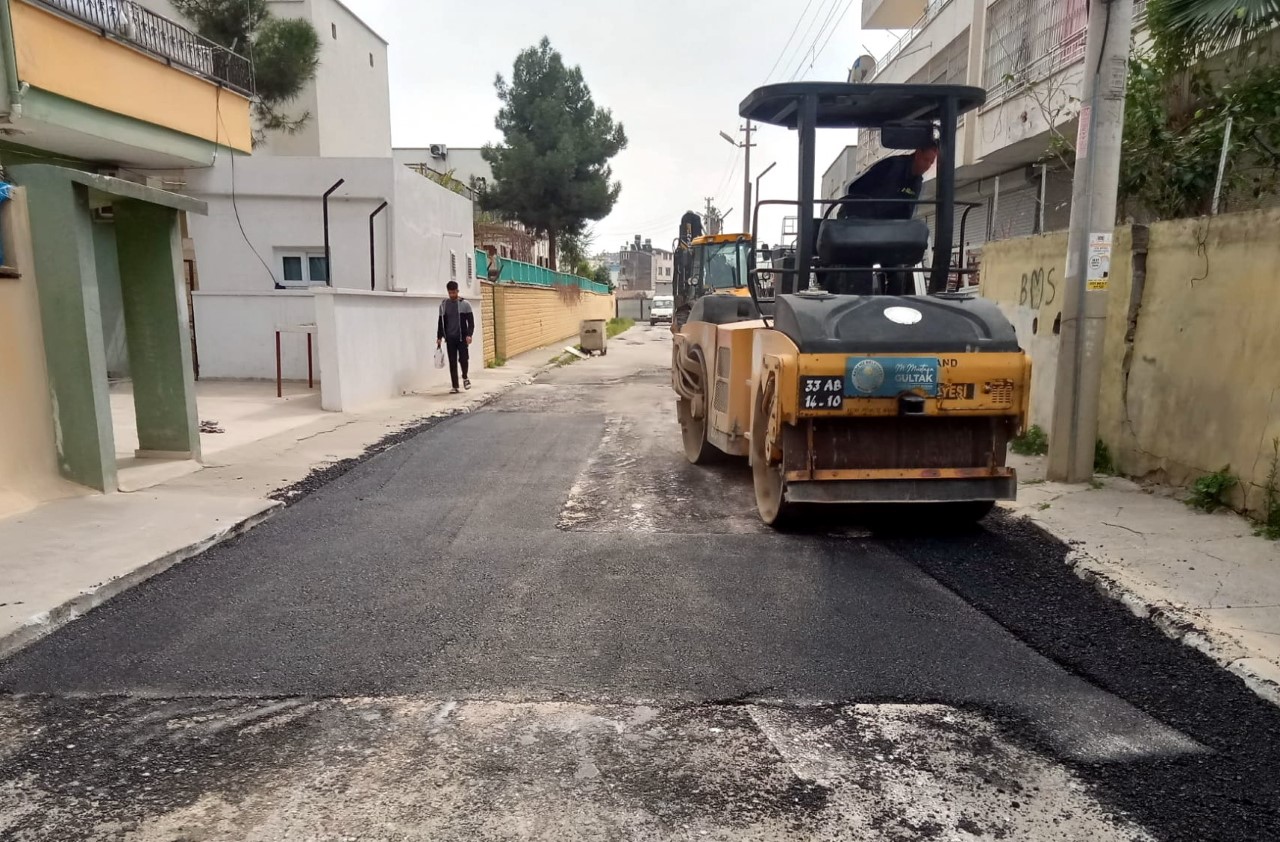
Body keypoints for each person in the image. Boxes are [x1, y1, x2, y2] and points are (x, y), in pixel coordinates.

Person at [837, 142, 937, 221]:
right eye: (925, 160)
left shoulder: (917, 182)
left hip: (887, 231)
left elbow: (907, 216)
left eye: (931, 163)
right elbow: (854, 189)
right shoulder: (893, 166)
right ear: (918, 153)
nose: (927, 166)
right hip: (858, 221)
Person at [437, 281, 475, 394]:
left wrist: (469, 334)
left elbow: (471, 322)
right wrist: (439, 337)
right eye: (450, 293)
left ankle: (465, 376)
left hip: (462, 338)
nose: (452, 295)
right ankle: (455, 385)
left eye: (454, 292)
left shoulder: (465, 304)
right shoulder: (443, 305)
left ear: (457, 291)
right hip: (450, 338)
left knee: (463, 359)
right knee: (452, 361)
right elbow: (441, 322)